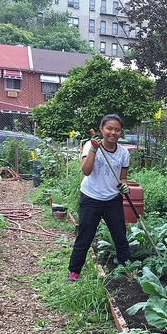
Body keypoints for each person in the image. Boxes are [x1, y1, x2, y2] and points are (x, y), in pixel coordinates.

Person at [67, 114, 131, 281]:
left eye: (117, 130)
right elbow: (86, 171)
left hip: (112, 200)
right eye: (109, 128)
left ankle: (128, 269)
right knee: (85, 236)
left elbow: (122, 177)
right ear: (101, 129)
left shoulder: (123, 153)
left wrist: (125, 186)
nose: (113, 132)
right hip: (91, 198)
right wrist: (94, 150)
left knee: (120, 237)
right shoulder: (91, 145)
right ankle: (74, 272)